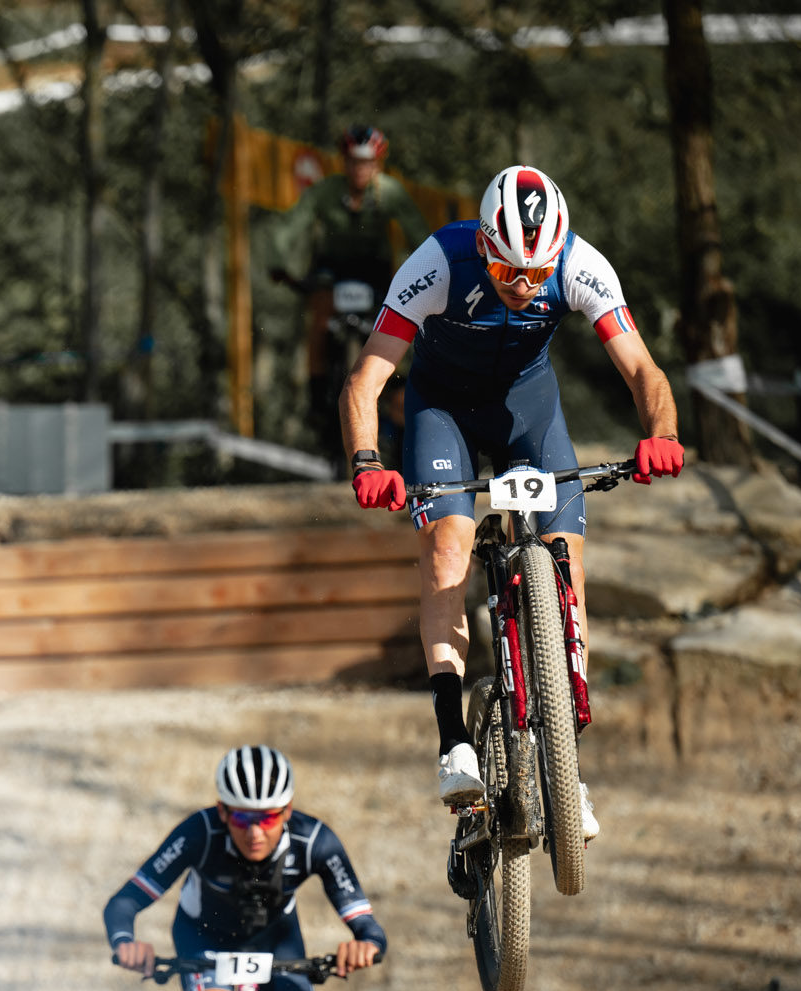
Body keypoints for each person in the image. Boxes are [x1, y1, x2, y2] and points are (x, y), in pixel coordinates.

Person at [341, 165, 687, 837]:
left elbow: (644, 370)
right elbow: (366, 379)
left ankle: (567, 769)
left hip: (529, 414)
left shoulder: (580, 264)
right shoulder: (439, 261)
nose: (525, 286)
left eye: (538, 274)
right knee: (448, 549)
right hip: (442, 411)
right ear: (484, 245)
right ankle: (454, 744)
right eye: (507, 272)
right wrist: (367, 461)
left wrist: (663, 435)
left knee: (567, 563)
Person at [103, 745, 387, 991]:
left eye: (267, 819)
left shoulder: (315, 841)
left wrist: (366, 944)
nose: (255, 834)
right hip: (203, 937)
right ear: (222, 811)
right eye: (241, 817)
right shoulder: (199, 833)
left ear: (287, 810)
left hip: (278, 941)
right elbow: (125, 901)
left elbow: (365, 923)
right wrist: (125, 941)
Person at [268, 126, 433, 437]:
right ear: (343, 162)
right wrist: (278, 262)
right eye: (354, 162)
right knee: (319, 315)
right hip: (332, 269)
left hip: (375, 270)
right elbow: (290, 226)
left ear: (378, 164)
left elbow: (419, 234)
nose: (360, 169)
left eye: (367, 163)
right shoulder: (325, 191)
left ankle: (399, 390)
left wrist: (429, 269)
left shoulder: (390, 192)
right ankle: (317, 394)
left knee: (397, 322)